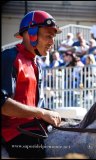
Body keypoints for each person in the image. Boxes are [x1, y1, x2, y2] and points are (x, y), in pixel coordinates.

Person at [1, 10, 62, 158]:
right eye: (48, 36)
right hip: (13, 134)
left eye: (53, 38)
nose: (52, 43)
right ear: (31, 34)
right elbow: (4, 106)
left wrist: (47, 114)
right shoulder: (9, 57)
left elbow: (34, 107)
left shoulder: (36, 63)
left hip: (32, 129)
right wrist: (42, 113)